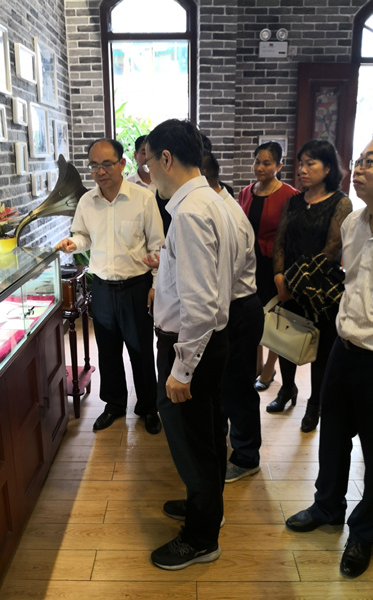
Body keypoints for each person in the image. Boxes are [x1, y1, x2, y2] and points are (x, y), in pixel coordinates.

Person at [285, 127, 373, 578]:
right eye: (360, 159)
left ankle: (364, 533)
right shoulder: (353, 224)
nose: (360, 168)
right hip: (343, 348)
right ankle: (327, 506)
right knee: (332, 437)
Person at [144, 119, 239, 570]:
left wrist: (181, 369)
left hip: (191, 347)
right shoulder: (213, 200)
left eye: (148, 164)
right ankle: (206, 507)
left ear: (166, 158)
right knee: (207, 436)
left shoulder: (188, 212)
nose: (148, 175)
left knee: (193, 444)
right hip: (210, 342)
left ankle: (201, 538)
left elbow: (199, 304)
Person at [55, 138, 165, 435]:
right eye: (94, 165)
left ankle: (148, 407)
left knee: (141, 351)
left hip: (136, 287)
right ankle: (114, 404)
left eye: (106, 164)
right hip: (102, 288)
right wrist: (74, 243)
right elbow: (83, 236)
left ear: (122, 163)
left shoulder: (143, 199)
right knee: (107, 350)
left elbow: (157, 245)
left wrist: (155, 285)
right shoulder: (86, 202)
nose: (100, 171)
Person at [268, 139, 353, 432]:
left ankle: (314, 403)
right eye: (301, 164)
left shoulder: (340, 202)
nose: (302, 170)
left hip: (321, 290)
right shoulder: (294, 201)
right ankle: (287, 389)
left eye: (310, 163)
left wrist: (293, 282)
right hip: (288, 286)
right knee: (285, 341)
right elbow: (280, 241)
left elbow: (332, 250)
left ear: (328, 168)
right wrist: (279, 276)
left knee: (320, 350)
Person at [201, 152, 264, 483]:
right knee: (226, 385)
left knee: (238, 388)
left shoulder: (228, 215)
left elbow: (223, 280)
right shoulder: (219, 205)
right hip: (232, 306)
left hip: (238, 308)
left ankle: (246, 455)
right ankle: (229, 443)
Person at [238, 142, 298, 391]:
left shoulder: (290, 195)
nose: (259, 167)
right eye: (257, 162)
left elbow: (292, 238)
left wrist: (283, 273)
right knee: (253, 316)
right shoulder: (246, 192)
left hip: (275, 267)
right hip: (249, 265)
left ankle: (269, 368)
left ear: (279, 166)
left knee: (274, 319)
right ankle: (256, 364)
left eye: (267, 163)